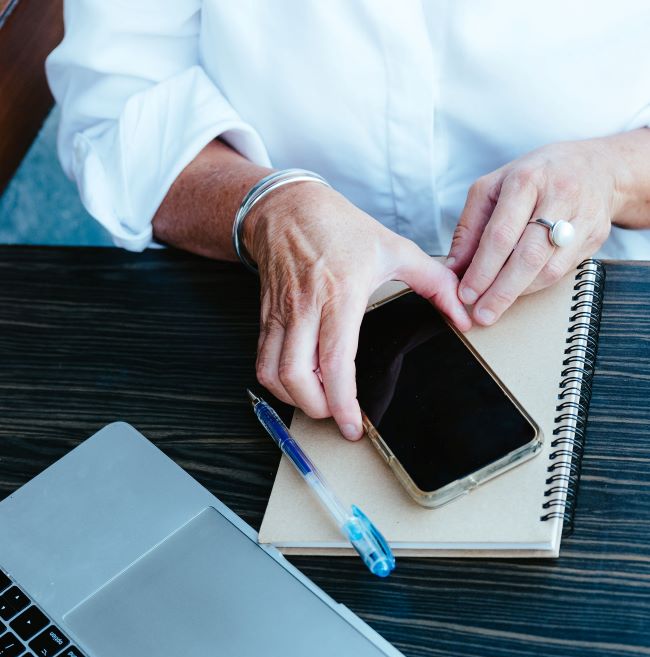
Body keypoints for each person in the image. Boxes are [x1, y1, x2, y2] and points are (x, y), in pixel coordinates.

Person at [46, 2, 650, 441]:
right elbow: (112, 117)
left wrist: (614, 171)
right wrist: (270, 207)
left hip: (602, 308)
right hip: (254, 309)